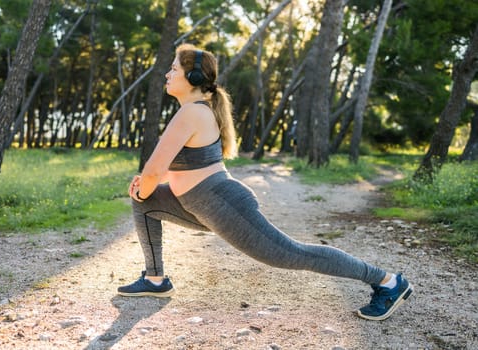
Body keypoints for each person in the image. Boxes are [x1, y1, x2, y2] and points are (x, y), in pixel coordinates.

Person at [118, 43, 413, 321]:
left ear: (192, 77)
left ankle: (387, 281)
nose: (168, 74)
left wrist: (144, 186)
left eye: (173, 69)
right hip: (199, 203)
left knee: (292, 254)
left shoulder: (192, 112)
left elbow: (154, 170)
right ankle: (154, 278)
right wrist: (144, 188)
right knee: (144, 201)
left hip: (222, 204)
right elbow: (187, 164)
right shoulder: (195, 110)